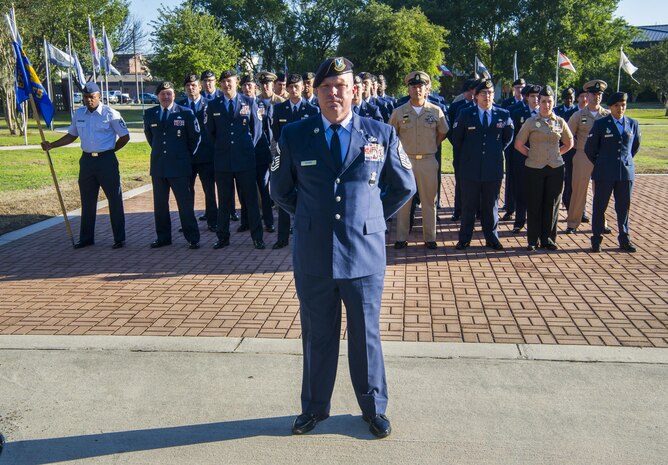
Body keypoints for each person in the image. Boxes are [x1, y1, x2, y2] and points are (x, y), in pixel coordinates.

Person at [270, 56, 416, 439]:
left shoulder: (380, 133)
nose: (334, 93)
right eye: (326, 87)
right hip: (314, 254)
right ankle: (314, 408)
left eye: (341, 86)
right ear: (315, 93)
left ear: (355, 91)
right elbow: (279, 189)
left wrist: (370, 217)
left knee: (366, 335)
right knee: (318, 334)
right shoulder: (294, 135)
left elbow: (404, 185)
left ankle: (374, 409)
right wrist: (308, 217)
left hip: (364, 254)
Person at [40, 81, 129, 249]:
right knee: (87, 201)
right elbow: (71, 135)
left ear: (99, 97)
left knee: (114, 199)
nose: (89, 100)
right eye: (86, 97)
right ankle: (86, 238)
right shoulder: (79, 114)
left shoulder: (111, 114)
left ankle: (119, 238)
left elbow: (124, 136)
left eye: (92, 97)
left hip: (106, 161)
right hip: (87, 161)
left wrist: (111, 151)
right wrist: (52, 145)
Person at [205, 69, 265, 250]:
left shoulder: (248, 102)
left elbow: (257, 130)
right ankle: (222, 237)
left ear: (236, 82)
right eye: (223, 82)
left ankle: (257, 237)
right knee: (224, 201)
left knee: (250, 200)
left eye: (229, 81)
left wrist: (246, 147)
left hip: (245, 160)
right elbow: (211, 132)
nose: (226, 85)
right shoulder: (213, 105)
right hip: (223, 161)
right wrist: (224, 147)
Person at [389, 71, 448, 250]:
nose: (417, 90)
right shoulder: (399, 112)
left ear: (426, 89)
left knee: (429, 201)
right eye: (413, 87)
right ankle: (401, 237)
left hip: (428, 161)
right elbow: (391, 135)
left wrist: (432, 146)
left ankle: (430, 238)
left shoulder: (435, 111)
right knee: (404, 202)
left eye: (420, 86)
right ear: (408, 89)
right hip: (405, 162)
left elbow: (443, 132)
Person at [452, 79, 514, 251]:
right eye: (483, 93)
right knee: (468, 205)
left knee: (490, 205)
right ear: (476, 96)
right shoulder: (465, 114)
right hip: (470, 167)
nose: (487, 96)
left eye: (490, 93)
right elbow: (457, 139)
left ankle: (492, 238)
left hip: (492, 168)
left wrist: (495, 151)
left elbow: (507, 138)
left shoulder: (503, 114)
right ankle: (464, 238)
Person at [514, 85, 573, 251]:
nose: (546, 104)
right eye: (543, 101)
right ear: (538, 102)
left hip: (555, 167)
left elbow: (569, 143)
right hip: (534, 167)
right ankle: (533, 240)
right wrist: (532, 154)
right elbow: (518, 144)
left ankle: (548, 239)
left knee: (552, 204)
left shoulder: (560, 122)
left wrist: (556, 154)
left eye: (549, 101)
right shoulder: (531, 122)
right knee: (534, 204)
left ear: (554, 102)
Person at [143, 81, 201, 249]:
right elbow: (151, 138)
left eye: (169, 93)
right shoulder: (150, 114)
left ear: (174, 95)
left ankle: (192, 238)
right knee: (160, 205)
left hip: (180, 167)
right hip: (159, 167)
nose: (166, 97)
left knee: (184, 204)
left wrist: (185, 157)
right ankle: (163, 237)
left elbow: (195, 138)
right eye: (162, 94)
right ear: (157, 96)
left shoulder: (186, 113)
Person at [586, 92, 641, 253]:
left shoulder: (633, 123)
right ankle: (596, 239)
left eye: (623, 105)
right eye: (617, 106)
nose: (620, 108)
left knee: (623, 207)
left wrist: (625, 162)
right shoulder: (601, 124)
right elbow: (590, 149)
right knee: (599, 207)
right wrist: (602, 163)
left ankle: (624, 238)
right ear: (610, 107)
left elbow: (634, 147)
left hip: (625, 173)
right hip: (604, 173)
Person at [270, 73, 319, 249]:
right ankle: (282, 238)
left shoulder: (313, 110)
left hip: (306, 161)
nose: (293, 90)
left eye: (297, 86)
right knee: (284, 195)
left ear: (304, 87)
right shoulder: (279, 109)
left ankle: (309, 233)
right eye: (290, 87)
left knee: (307, 196)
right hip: (286, 160)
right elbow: (276, 133)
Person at [565, 80, 610, 234]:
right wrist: (578, 146)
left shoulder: (607, 115)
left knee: (602, 192)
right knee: (578, 190)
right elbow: (567, 135)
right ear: (587, 95)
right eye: (593, 94)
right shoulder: (578, 115)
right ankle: (572, 223)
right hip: (583, 155)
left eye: (599, 94)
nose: (596, 97)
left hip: (602, 158)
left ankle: (601, 223)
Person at [179, 74, 218, 232]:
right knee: (187, 191)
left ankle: (212, 221)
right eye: (188, 85)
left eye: (194, 85)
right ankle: (188, 222)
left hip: (206, 155)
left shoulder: (211, 104)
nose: (191, 88)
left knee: (209, 190)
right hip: (187, 156)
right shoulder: (179, 106)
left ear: (200, 87)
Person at [201, 69, 238, 222]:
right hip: (206, 149)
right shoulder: (199, 98)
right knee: (209, 186)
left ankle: (232, 210)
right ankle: (210, 212)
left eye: (210, 81)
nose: (208, 84)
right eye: (205, 81)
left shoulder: (221, 96)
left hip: (224, 149)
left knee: (228, 183)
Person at [240, 73, 275, 234]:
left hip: (261, 154)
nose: (248, 88)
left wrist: (270, 153)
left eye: (250, 85)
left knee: (263, 189)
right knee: (245, 190)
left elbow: (269, 131)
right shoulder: (238, 105)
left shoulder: (264, 105)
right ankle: (246, 221)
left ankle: (268, 222)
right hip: (244, 155)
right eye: (245, 85)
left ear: (256, 87)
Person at [509, 84, 541, 233]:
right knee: (521, 190)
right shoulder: (516, 112)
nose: (536, 99)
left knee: (538, 191)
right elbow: (511, 137)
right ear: (527, 97)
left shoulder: (546, 114)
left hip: (541, 160)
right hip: (522, 157)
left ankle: (536, 222)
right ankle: (519, 221)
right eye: (533, 96)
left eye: (538, 96)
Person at [447, 78, 478, 221]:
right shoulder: (456, 107)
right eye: (469, 90)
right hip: (460, 150)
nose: (471, 93)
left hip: (476, 151)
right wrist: (458, 145)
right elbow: (451, 129)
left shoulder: (481, 106)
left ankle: (478, 210)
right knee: (460, 181)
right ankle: (458, 210)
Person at [559, 87, 586, 213]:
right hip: (564, 150)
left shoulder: (580, 112)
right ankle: (568, 202)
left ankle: (581, 210)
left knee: (579, 182)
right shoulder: (559, 111)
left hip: (578, 151)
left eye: (571, 98)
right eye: (567, 98)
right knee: (568, 179)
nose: (569, 101)